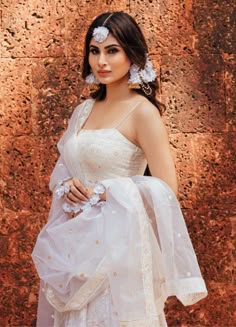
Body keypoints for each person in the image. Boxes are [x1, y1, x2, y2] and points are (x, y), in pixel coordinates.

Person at [32, 11, 207, 327]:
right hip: (74, 250)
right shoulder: (83, 110)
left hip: (119, 250)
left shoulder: (143, 113)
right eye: (95, 51)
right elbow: (62, 170)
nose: (102, 61)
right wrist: (67, 185)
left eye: (112, 50)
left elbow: (167, 189)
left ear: (132, 54)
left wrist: (105, 190)